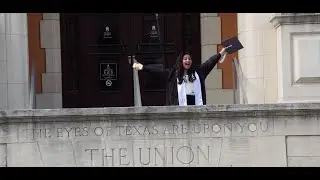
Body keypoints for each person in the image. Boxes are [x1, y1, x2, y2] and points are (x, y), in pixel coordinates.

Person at [132, 48, 228, 106]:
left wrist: (220, 54)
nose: (187, 61)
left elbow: (209, 63)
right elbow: (158, 71)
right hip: (178, 109)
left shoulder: (198, 72)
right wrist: (143, 67)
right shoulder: (173, 74)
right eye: (185, 59)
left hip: (195, 108)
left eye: (189, 59)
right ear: (181, 61)